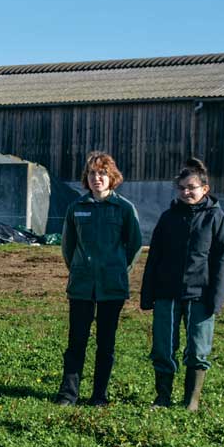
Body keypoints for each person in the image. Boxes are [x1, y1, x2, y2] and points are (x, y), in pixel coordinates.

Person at [140, 158, 224, 411]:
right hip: (166, 294)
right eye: (181, 188)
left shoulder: (216, 218)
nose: (186, 192)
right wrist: (147, 295)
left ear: (205, 189)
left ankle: (191, 401)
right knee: (163, 347)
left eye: (191, 187)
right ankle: (163, 398)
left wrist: (216, 298)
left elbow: (222, 260)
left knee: (197, 349)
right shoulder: (168, 218)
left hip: (200, 295)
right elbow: (154, 258)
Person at [55, 151, 142, 406]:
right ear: (87, 178)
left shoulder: (124, 209)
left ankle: (99, 395)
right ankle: (68, 394)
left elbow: (134, 246)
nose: (97, 178)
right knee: (76, 342)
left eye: (102, 173)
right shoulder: (76, 207)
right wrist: (80, 269)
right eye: (93, 173)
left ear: (111, 177)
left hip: (111, 287)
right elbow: (68, 246)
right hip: (82, 286)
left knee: (106, 343)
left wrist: (116, 271)